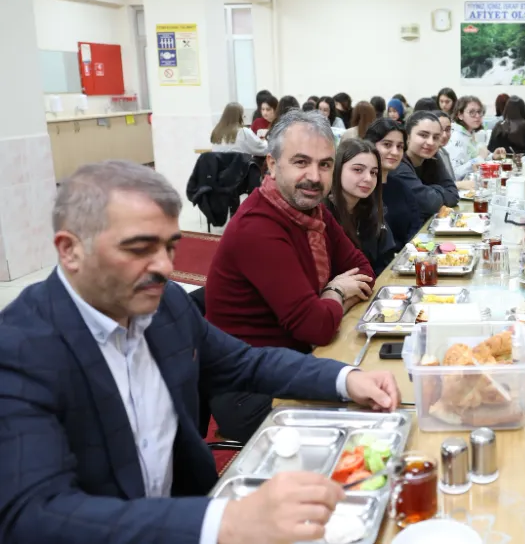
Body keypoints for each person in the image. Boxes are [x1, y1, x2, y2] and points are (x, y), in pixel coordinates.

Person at [0, 160, 401, 544]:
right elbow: (34, 517)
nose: (163, 266)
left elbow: (246, 362)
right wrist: (225, 521)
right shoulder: (21, 350)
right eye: (140, 249)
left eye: (169, 247)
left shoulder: (166, 305)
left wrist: (347, 378)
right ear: (70, 250)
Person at [205, 110, 377, 441]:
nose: (314, 175)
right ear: (272, 165)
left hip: (298, 361)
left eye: (325, 164)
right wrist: (336, 293)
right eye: (301, 162)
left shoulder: (313, 210)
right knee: (372, 418)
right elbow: (316, 327)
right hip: (251, 392)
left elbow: (364, 272)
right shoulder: (258, 227)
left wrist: (324, 301)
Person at [327, 138, 396, 274]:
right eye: (358, 170)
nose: (368, 179)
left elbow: (386, 261)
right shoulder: (324, 214)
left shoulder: (371, 211)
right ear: (337, 169)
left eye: (373, 172)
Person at [388, 110, 459, 221]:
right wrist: (436, 190)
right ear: (407, 136)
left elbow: (453, 194)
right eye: (423, 135)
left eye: (436, 137)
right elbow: (430, 204)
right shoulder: (398, 164)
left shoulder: (432, 156)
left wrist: (431, 191)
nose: (430, 142)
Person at [365, 118, 424, 252]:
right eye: (387, 145)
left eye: (400, 147)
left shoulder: (400, 186)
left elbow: (416, 224)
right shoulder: (362, 189)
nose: (395, 152)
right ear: (371, 145)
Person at [445, 96, 503, 181]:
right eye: (472, 112)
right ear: (460, 115)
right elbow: (454, 174)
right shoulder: (456, 138)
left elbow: (474, 156)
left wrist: (492, 157)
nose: (478, 116)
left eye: (479, 112)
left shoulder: (469, 134)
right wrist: (479, 158)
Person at [433, 110, 456, 180]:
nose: (444, 135)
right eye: (439, 129)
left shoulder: (443, 152)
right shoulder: (427, 156)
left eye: (448, 129)